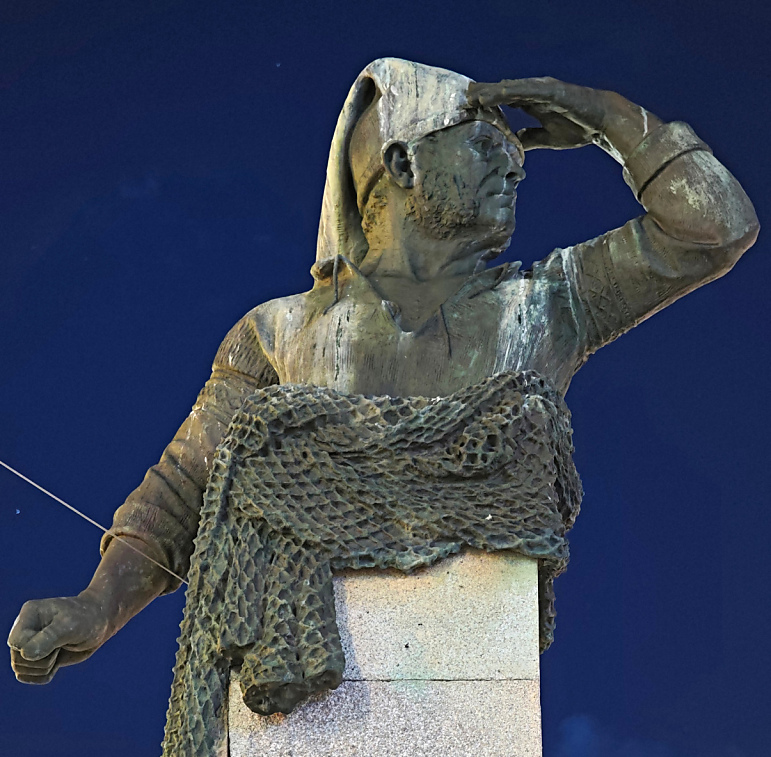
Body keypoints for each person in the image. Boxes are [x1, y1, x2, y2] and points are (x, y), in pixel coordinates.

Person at [8, 58, 758, 684]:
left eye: (516, 153)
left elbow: (716, 230)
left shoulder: (550, 302)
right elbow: (183, 488)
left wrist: (611, 119)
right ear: (402, 162)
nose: (514, 165)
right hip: (301, 673)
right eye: (485, 145)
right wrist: (97, 605)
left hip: (478, 673)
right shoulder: (277, 332)